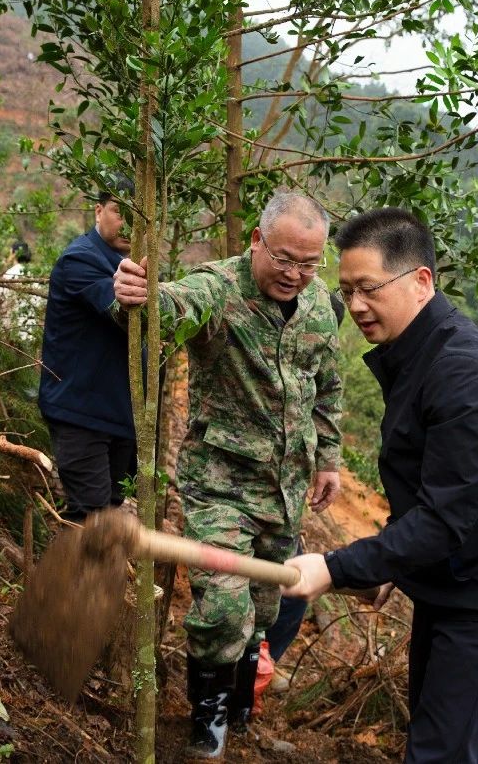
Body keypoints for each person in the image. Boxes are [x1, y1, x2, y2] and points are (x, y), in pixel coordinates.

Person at [282, 208, 478, 764]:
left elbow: (445, 518)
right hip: (450, 583)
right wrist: (392, 562)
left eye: (368, 288)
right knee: (432, 743)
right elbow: (427, 487)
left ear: (421, 281)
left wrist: (336, 567)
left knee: (439, 754)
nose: (355, 306)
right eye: (346, 290)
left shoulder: (466, 377)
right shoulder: (419, 356)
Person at [113, 189, 343, 758]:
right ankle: (207, 715)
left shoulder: (319, 307)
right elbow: (173, 305)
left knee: (265, 607)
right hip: (220, 483)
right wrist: (138, 297)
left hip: (285, 491)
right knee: (221, 604)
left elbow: (327, 387)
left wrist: (329, 459)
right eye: (284, 258)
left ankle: (238, 700)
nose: (295, 273)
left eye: (309, 264)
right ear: (256, 241)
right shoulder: (220, 287)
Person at [37, 183, 135, 522]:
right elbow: (118, 306)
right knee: (90, 518)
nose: (130, 225)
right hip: (80, 413)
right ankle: (65, 575)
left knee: (108, 510)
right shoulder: (80, 259)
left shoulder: (129, 263)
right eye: (121, 213)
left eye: (140, 216)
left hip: (118, 415)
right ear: (98, 210)